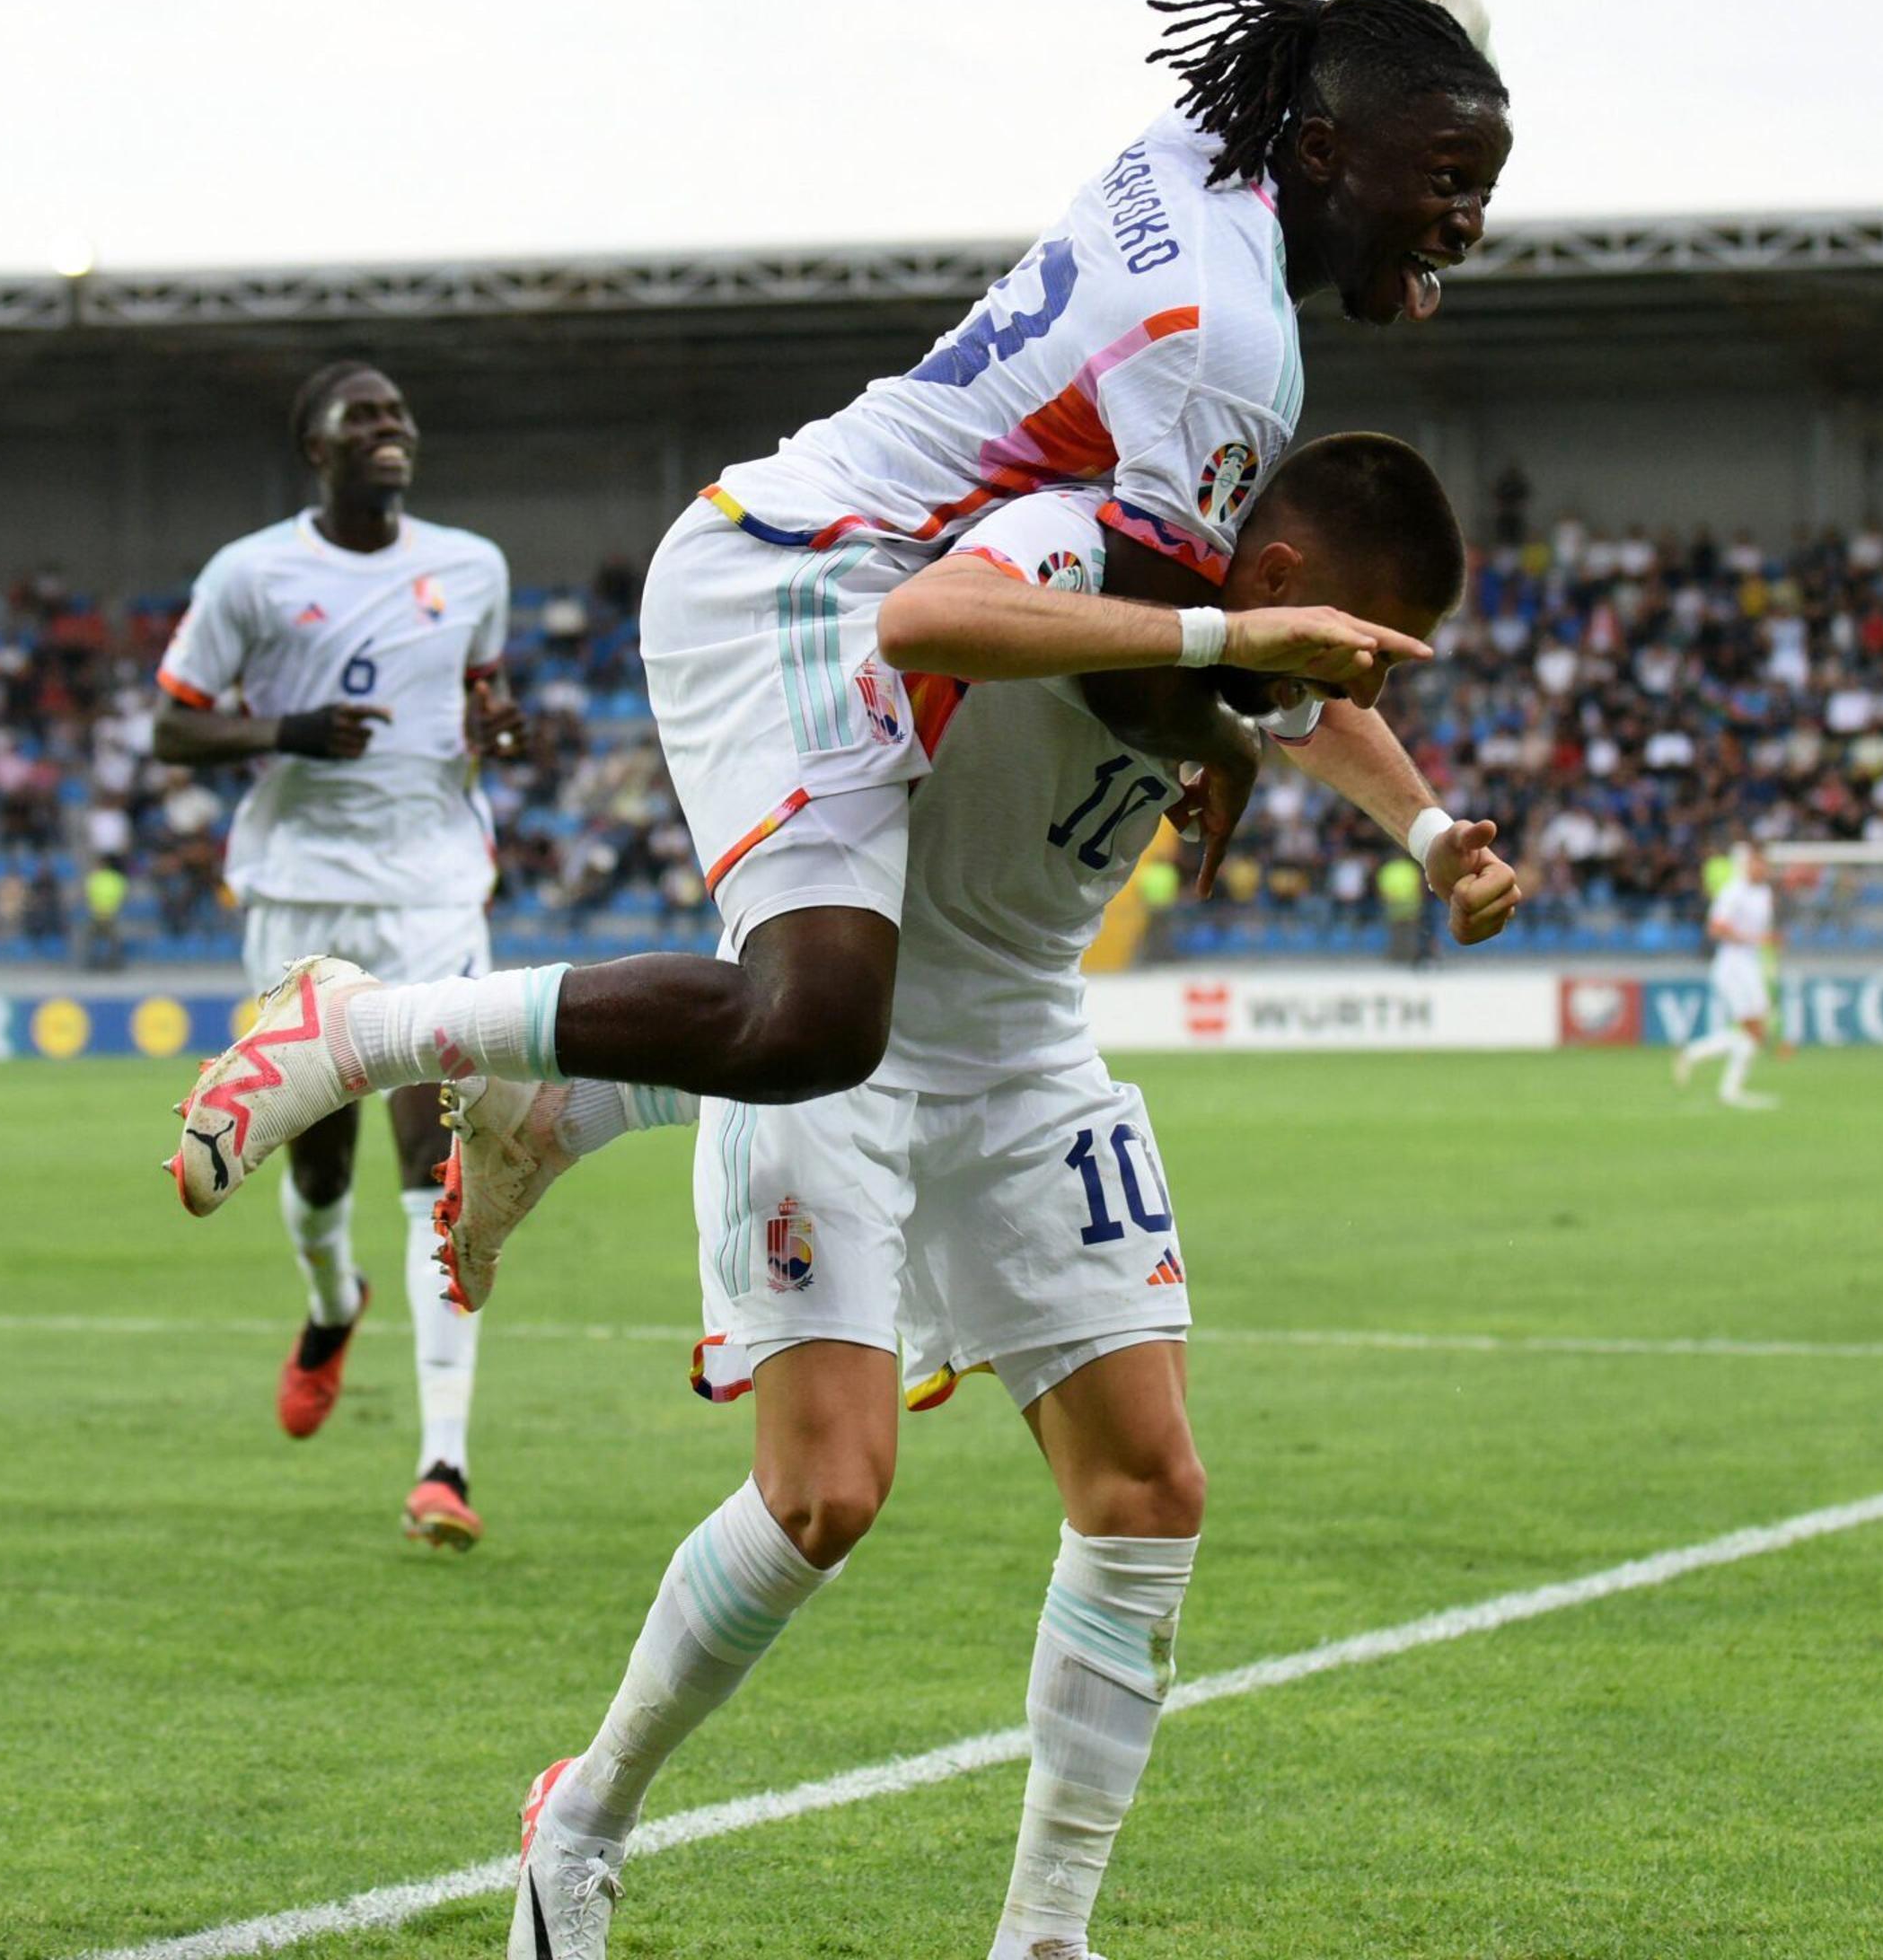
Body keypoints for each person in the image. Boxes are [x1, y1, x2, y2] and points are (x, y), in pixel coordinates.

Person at [163, 0, 1510, 1250]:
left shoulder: (1206, 145)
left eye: (1481, 192)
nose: (1468, 224)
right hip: (812, 580)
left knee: (919, 1005)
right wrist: (1225, 748)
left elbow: (1387, 100)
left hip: (858, 560)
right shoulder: (1225, 351)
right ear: (1335, 156)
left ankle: (559, 1113)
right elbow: (1150, 671)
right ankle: (365, 1028)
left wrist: (1433, 11)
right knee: (817, 1022)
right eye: (1451, 189)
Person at [485, 448, 1517, 1960]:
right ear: (1274, 581)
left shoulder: (1267, 648)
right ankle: (579, 1815)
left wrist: (1430, 836)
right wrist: (1223, 655)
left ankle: (1045, 1936)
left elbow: (1313, 710)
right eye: (1342, 642)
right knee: (823, 1497)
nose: (1341, 684)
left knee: (1150, 1488)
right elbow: (927, 615)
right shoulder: (1060, 546)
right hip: (846, 1033)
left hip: (1031, 1055)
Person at [150, 361, 528, 1550]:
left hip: (429, 895)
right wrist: (286, 731)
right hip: (299, 896)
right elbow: (172, 723)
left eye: (399, 415)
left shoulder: (473, 567)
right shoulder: (251, 574)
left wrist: (499, 720)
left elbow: (481, 690)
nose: (389, 430)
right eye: (361, 418)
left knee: (435, 1164)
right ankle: (331, 1304)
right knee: (318, 1170)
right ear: (314, 449)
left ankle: (444, 1464)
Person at [1672, 839, 1779, 1110]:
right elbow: (1716, 928)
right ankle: (1721, 1081)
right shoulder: (1733, 892)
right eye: (1757, 862)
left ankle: (1706, 1067)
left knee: (1758, 1030)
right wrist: (1755, 938)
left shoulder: (1764, 893)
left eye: (1764, 863)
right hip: (1732, 966)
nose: (1762, 868)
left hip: (1751, 965)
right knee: (1753, 1029)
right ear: (1747, 864)